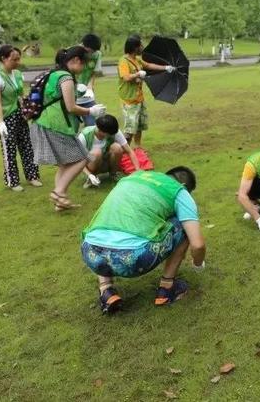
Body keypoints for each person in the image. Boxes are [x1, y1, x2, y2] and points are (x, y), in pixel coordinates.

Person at [80, 167, 206, 314]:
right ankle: (167, 288)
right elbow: (197, 244)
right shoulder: (179, 191)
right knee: (184, 225)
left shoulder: (131, 178)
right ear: (184, 187)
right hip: (131, 259)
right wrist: (198, 264)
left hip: (90, 252)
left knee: (109, 222)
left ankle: (106, 291)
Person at [30, 46, 107, 211]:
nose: (84, 69)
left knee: (65, 164)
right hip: (56, 124)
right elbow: (71, 107)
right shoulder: (66, 78)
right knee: (82, 157)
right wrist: (91, 111)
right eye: (84, 64)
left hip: (45, 123)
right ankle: (58, 192)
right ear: (77, 61)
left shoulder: (54, 74)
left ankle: (60, 203)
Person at [0, 44, 41, 191]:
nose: (17, 62)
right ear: (3, 59)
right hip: (7, 117)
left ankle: (32, 176)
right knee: (9, 150)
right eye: (14, 59)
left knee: (27, 146)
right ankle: (13, 181)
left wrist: (28, 104)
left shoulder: (17, 74)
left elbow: (20, 94)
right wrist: (1, 122)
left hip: (20, 115)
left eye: (18, 59)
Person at [117, 35, 175, 147]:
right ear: (135, 47)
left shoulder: (137, 59)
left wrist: (165, 67)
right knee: (130, 128)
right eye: (140, 45)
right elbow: (126, 77)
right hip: (129, 100)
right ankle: (125, 152)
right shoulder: (123, 61)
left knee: (139, 125)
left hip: (139, 98)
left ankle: (138, 148)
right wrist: (138, 74)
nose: (142, 47)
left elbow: (148, 65)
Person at [78, 114, 141, 188]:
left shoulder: (113, 132)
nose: (110, 135)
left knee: (117, 147)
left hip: (107, 162)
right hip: (91, 165)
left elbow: (129, 151)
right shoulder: (84, 136)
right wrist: (89, 175)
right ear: (101, 130)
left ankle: (113, 174)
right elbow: (78, 160)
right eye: (108, 134)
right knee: (97, 152)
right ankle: (91, 178)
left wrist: (138, 170)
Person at [75, 34, 103, 127]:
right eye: (89, 51)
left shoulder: (97, 54)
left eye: (93, 52)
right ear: (82, 45)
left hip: (87, 96)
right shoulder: (73, 53)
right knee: (72, 127)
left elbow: (93, 73)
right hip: (72, 95)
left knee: (92, 126)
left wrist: (90, 86)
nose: (91, 54)